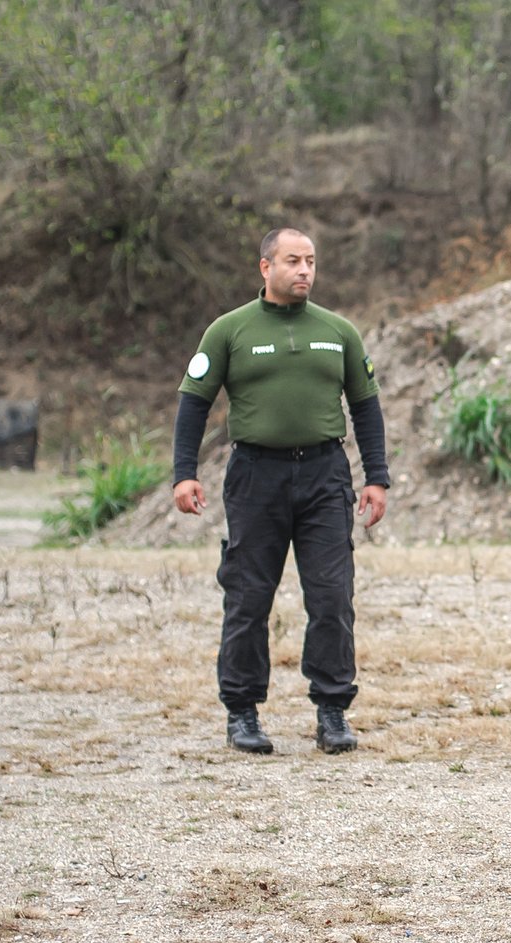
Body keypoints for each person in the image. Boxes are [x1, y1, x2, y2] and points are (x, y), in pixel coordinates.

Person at [171, 228, 390, 756]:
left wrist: (376, 477)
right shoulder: (229, 330)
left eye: (310, 261)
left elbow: (366, 406)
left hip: (324, 475)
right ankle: (242, 712)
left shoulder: (338, 331)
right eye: (293, 260)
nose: (305, 270)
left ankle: (332, 711)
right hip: (255, 477)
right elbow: (194, 402)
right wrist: (184, 472)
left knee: (332, 597)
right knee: (248, 598)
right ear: (265, 267)